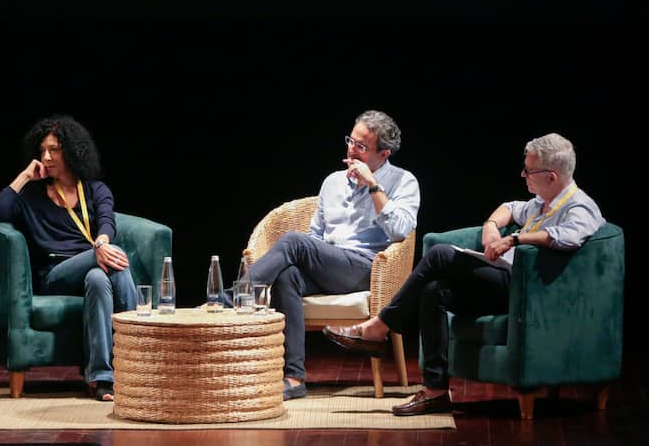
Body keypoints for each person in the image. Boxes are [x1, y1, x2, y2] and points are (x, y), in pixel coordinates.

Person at [324, 132, 605, 416]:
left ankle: (381, 326)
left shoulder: (580, 207)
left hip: (532, 292)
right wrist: (492, 226)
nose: (523, 175)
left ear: (552, 176)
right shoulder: (542, 202)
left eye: (529, 170)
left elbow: (566, 237)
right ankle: (435, 391)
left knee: (440, 255)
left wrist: (515, 240)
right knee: (434, 290)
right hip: (506, 283)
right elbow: (510, 208)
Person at [231, 110, 420, 401]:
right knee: (288, 276)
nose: (351, 150)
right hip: (330, 264)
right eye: (350, 141)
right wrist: (309, 256)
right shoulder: (332, 182)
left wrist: (373, 185)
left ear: (383, 153)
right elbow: (316, 237)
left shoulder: (403, 181)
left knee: (294, 242)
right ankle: (294, 379)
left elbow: (399, 232)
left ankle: (234, 297)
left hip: (368, 268)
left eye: (361, 146)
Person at [0, 114, 136, 402]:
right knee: (115, 258)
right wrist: (26, 175)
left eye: (54, 149)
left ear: (72, 151)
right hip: (55, 274)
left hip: (93, 266)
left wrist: (101, 243)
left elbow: (107, 221)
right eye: (42, 151)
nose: (47, 156)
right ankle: (137, 357)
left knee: (97, 277)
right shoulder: (32, 195)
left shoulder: (94, 189)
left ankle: (101, 378)